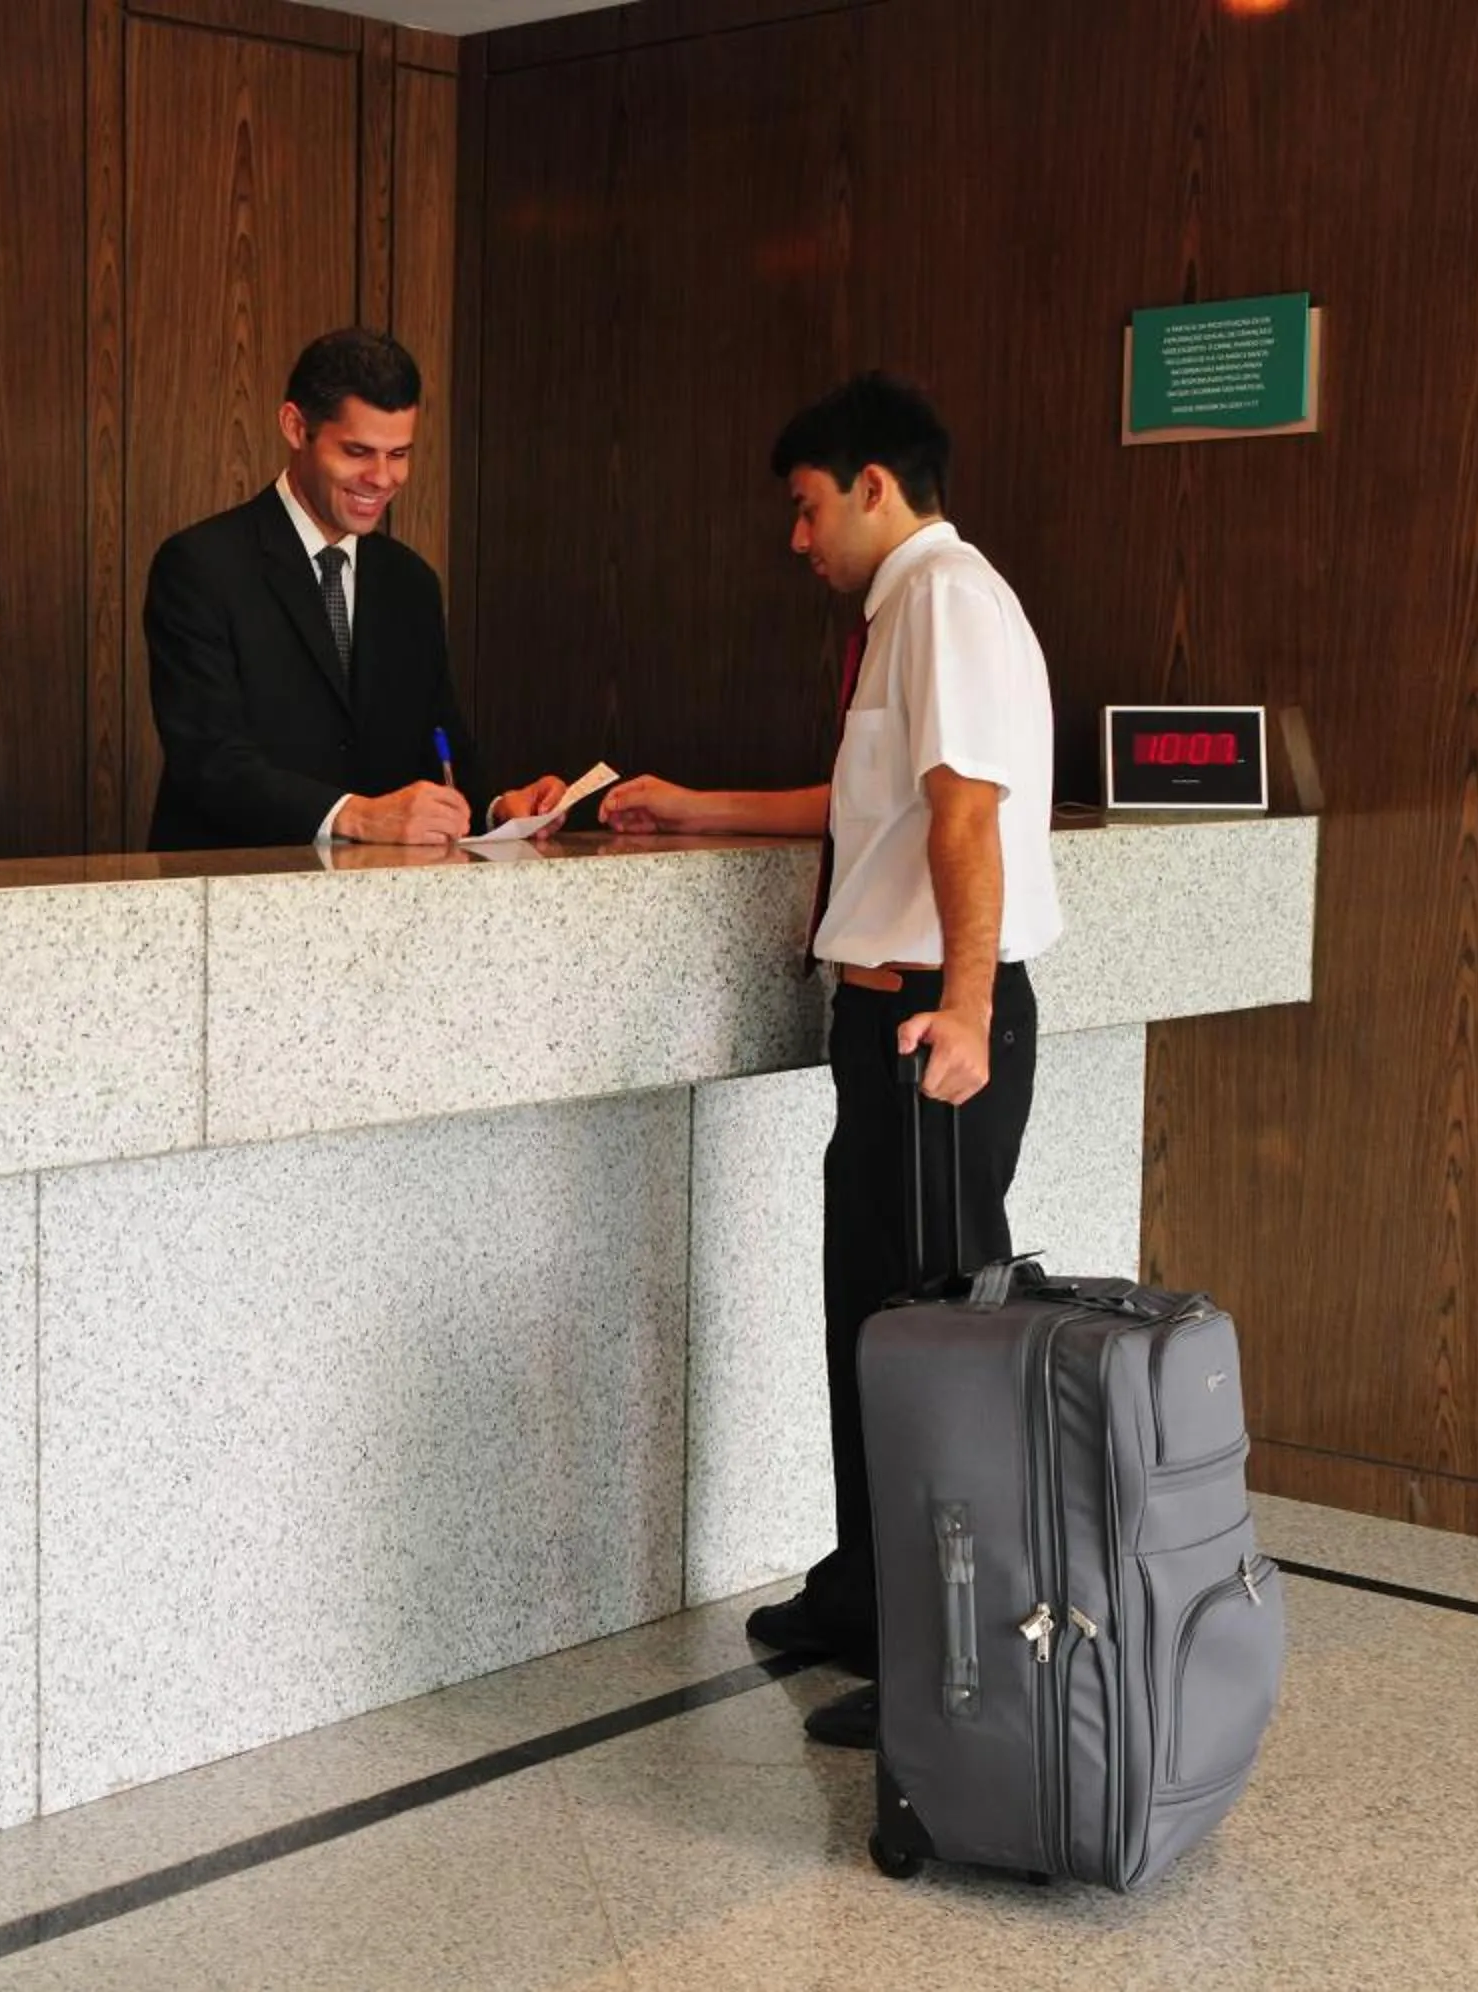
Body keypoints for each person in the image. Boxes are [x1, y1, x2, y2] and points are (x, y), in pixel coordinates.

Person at [600, 374, 1061, 1751]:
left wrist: (965, 1014)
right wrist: (693, 806)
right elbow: (876, 807)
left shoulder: (949, 602)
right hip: (893, 1023)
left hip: (933, 1024)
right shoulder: (904, 613)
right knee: (871, 1321)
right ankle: (870, 1598)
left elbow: (966, 823)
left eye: (807, 509)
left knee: (929, 1344)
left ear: (873, 486)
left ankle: (941, 1659)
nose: (797, 540)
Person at [144, 328, 565, 851]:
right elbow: (209, 759)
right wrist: (356, 815)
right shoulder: (202, 566)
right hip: (232, 902)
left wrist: (500, 808)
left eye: (400, 454)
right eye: (359, 451)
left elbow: (440, 747)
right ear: (296, 428)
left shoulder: (411, 583)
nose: (382, 478)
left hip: (380, 909)